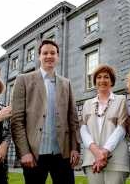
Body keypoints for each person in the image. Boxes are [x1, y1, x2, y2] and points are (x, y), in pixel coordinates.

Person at [11, 39, 80, 184]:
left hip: (63, 154)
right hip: (34, 155)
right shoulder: (23, 80)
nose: (49, 56)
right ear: (39, 56)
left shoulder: (66, 83)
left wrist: (75, 147)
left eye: (53, 53)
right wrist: (24, 152)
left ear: (58, 56)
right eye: (45, 53)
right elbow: (17, 120)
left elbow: (73, 119)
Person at [80, 64, 130, 184]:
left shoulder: (121, 100)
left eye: (106, 77)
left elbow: (121, 128)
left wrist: (104, 152)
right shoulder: (87, 104)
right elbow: (83, 130)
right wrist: (96, 152)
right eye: (99, 77)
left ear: (112, 81)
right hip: (92, 158)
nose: (102, 80)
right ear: (95, 81)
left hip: (116, 158)